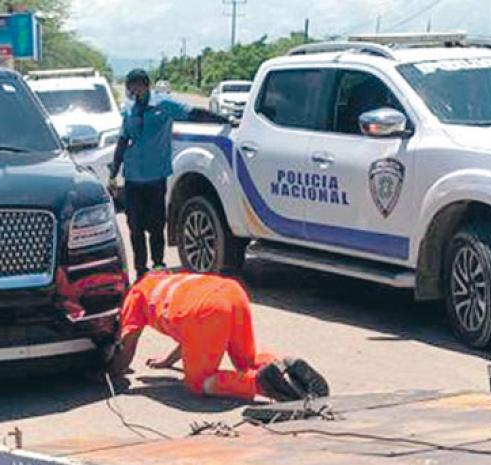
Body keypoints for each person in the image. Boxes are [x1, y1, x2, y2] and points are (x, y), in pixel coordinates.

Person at [110, 270, 329, 401]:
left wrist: (109, 372)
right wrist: (168, 362)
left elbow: (127, 349)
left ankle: (260, 385)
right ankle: (285, 369)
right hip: (231, 292)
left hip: (206, 312)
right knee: (247, 360)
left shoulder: (135, 295)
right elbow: (190, 337)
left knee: (197, 382)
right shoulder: (163, 280)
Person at [110, 69, 234, 279]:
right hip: (132, 177)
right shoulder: (129, 110)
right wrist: (113, 172)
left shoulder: (164, 105)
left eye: (137, 86)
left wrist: (223, 121)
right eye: (131, 87)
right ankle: (141, 269)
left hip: (155, 176)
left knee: (156, 224)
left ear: (146, 86)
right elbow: (123, 141)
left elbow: (193, 113)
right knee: (135, 226)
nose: (133, 91)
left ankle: (158, 264)